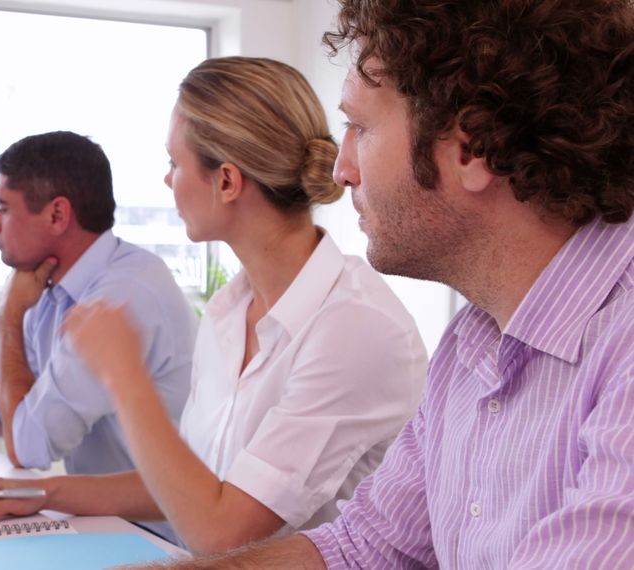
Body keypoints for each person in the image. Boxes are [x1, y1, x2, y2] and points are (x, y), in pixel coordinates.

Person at [146, 1, 634, 568]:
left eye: (361, 127)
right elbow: (363, 546)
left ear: (474, 145)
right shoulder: (472, 341)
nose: (340, 168)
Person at [0, 57, 428, 555]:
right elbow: (190, 483)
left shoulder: (353, 329)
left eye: (174, 163)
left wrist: (123, 375)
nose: (167, 181)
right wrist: (37, 493)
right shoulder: (228, 312)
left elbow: (221, 532)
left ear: (227, 182)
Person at [0, 132, 195, 480]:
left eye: (2, 207)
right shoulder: (51, 286)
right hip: (104, 520)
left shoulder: (122, 295)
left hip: (154, 530)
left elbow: (28, 447)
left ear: (57, 215)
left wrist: (9, 318)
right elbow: (3, 406)